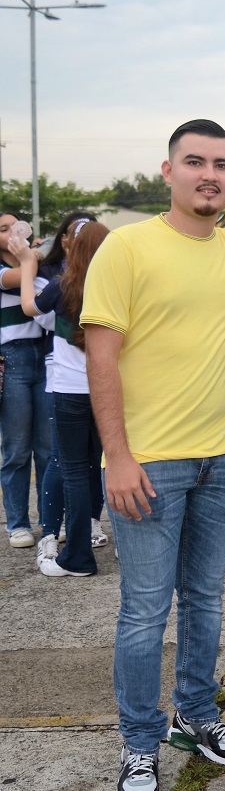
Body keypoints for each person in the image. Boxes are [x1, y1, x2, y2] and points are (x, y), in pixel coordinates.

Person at [82, 119, 225, 791]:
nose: (209, 174)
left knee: (208, 600)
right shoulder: (127, 247)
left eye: (221, 163)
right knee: (143, 613)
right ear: (168, 170)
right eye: (195, 162)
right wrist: (118, 457)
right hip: (148, 466)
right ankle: (139, 742)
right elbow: (101, 356)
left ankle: (196, 713)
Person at [10, 220, 109, 576]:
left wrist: (26, 265)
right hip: (109, 390)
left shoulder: (61, 285)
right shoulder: (119, 286)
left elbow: (29, 308)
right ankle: (112, 545)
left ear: (73, 248)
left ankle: (78, 557)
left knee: (74, 472)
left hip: (68, 391)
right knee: (103, 465)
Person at [0, 213, 55, 549]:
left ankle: (50, 521)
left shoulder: (35, 260)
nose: (12, 232)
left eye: (15, 226)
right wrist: (32, 255)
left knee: (49, 449)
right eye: (3, 229)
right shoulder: (12, 268)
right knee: (16, 449)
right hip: (14, 359)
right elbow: (22, 276)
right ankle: (18, 523)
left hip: (45, 354)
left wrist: (35, 255)